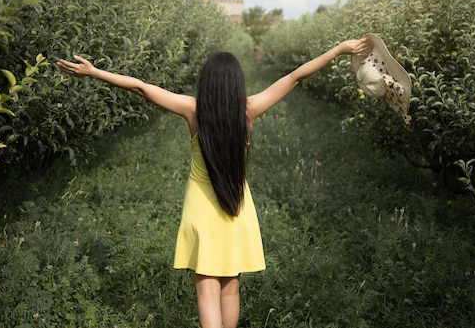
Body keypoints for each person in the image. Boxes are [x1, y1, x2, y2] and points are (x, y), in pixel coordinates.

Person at [57, 36, 373, 328]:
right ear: (237, 83)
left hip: (201, 209)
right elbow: (295, 77)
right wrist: (338, 50)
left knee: (206, 291)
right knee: (230, 289)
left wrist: (95, 72)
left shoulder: (193, 109)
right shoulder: (249, 109)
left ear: (206, 83)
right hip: (236, 205)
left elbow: (141, 87)